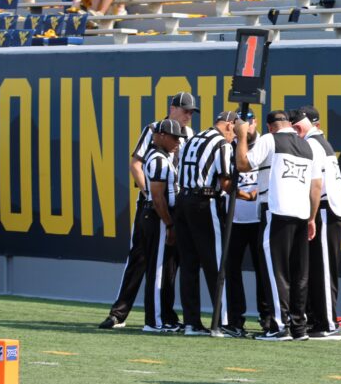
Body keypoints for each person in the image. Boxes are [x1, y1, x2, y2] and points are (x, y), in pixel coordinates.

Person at [99, 92, 197, 331]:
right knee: (139, 258)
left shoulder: (190, 135)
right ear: (172, 108)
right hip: (152, 204)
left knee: (168, 264)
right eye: (185, 110)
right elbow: (136, 163)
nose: (188, 116)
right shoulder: (154, 129)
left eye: (191, 112)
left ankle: (164, 315)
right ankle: (119, 313)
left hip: (173, 204)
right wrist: (150, 196)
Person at [234, 110, 321, 342]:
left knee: (275, 271)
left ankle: (279, 326)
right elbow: (316, 187)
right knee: (299, 273)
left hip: (276, 210)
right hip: (302, 214)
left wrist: (241, 135)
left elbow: (243, 164)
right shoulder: (307, 146)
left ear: (270, 126)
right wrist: (312, 218)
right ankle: (299, 327)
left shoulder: (269, 139)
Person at [291, 106, 341, 340]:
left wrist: (311, 217)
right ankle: (320, 320)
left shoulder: (313, 144)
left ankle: (328, 323)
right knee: (319, 267)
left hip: (326, 208)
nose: (296, 128)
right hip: (326, 208)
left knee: (324, 269)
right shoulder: (318, 141)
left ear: (311, 123)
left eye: (299, 123)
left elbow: (316, 185)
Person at [176, 111, 238, 335]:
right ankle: (220, 322)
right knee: (216, 262)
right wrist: (240, 188)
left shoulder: (193, 138)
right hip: (204, 201)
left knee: (189, 264)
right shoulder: (221, 143)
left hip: (182, 200)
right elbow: (225, 182)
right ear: (230, 125)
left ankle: (191, 322)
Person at [138, 119, 186, 331]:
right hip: (158, 217)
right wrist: (169, 224)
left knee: (165, 271)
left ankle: (165, 317)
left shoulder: (165, 157)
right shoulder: (157, 159)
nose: (178, 142)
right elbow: (157, 198)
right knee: (157, 271)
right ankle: (154, 321)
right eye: (175, 138)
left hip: (162, 217)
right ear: (162, 136)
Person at [223, 110, 267, 337]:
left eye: (248, 123)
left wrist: (252, 195)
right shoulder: (229, 147)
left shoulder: (265, 144)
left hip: (259, 218)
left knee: (264, 270)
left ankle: (267, 318)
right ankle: (235, 319)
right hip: (235, 218)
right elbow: (223, 182)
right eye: (241, 124)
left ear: (255, 123)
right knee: (232, 270)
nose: (245, 128)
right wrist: (240, 193)